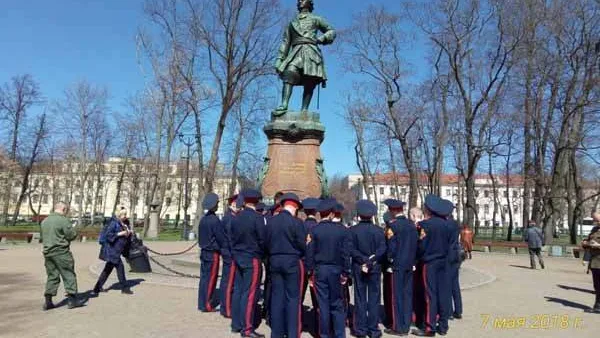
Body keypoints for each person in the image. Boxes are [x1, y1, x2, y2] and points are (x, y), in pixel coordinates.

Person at [275, 0, 336, 113]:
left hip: (311, 51)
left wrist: (321, 39)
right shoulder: (292, 23)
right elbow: (285, 42)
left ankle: (304, 110)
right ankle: (284, 105)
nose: (299, 2)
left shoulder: (316, 19)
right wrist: (279, 59)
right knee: (289, 72)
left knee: (310, 81)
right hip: (296, 52)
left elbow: (331, 31)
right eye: (298, 1)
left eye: (302, 0)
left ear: (309, 3)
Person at [306, 198, 351, 338]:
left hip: (320, 270)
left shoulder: (314, 230)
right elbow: (345, 253)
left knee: (323, 305)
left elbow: (310, 253)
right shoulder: (341, 231)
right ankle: (339, 334)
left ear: (320, 214)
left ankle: (324, 334)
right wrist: (346, 272)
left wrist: (310, 272)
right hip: (336, 270)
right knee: (337, 305)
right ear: (331, 214)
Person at [264, 193, 307, 338]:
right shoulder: (297, 223)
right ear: (294, 207)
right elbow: (302, 245)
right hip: (291, 262)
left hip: (274, 260)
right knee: (293, 299)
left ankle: (276, 333)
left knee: (277, 298)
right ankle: (292, 333)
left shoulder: (271, 222)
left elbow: (266, 243)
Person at [412, 195, 450, 337]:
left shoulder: (425, 225)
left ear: (428, 209)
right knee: (442, 293)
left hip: (429, 262)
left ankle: (429, 327)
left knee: (430, 294)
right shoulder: (447, 224)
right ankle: (444, 325)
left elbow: (421, 246)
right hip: (443, 261)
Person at [231, 189, 266, 338]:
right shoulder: (257, 218)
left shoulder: (237, 217)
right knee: (251, 293)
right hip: (252, 257)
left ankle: (236, 323)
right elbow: (263, 239)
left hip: (238, 256)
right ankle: (247, 328)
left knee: (238, 290)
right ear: (257, 201)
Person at [349, 200, 386, 338]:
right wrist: (371, 260)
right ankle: (373, 328)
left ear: (359, 214)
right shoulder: (378, 230)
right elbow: (383, 248)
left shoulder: (353, 230)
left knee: (360, 297)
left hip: (359, 266)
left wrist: (363, 260)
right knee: (374, 298)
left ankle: (360, 329)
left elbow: (351, 249)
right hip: (375, 266)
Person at [383, 199, 417, 336]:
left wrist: (390, 261)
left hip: (397, 265)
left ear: (392, 211)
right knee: (407, 295)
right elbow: (416, 246)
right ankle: (406, 323)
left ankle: (398, 327)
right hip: (410, 264)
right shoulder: (411, 225)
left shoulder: (393, 226)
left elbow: (391, 247)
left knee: (396, 296)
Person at [41, 202, 84, 310]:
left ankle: (48, 301)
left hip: (48, 253)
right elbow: (71, 235)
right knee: (68, 274)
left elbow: (42, 237)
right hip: (61, 252)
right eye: (67, 211)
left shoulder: (44, 221)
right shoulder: (63, 220)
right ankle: (72, 300)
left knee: (52, 276)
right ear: (64, 209)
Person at [93, 208, 134, 296]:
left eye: (126, 214)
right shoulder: (113, 223)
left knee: (107, 269)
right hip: (112, 249)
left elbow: (126, 233)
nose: (125, 216)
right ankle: (125, 288)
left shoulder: (125, 223)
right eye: (124, 214)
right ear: (119, 215)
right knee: (120, 268)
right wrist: (120, 234)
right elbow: (109, 235)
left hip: (118, 249)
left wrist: (129, 232)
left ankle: (97, 288)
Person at [197, 193, 222, 312]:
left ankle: (201, 302)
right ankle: (207, 304)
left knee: (204, 278)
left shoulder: (203, 219)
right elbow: (220, 237)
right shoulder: (215, 220)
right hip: (213, 253)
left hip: (204, 251)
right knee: (211, 279)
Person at [441, 201, 462, 321]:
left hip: (447, 256)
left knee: (447, 285)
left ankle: (448, 311)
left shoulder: (445, 224)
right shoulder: (455, 224)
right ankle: (458, 310)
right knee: (455, 285)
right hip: (455, 256)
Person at [219, 194, 238, 318]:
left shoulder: (231, 217)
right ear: (233, 204)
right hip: (230, 254)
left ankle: (225, 306)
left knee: (227, 280)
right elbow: (231, 237)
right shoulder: (230, 218)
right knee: (229, 281)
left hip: (227, 252)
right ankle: (227, 308)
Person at [301, 198, 321, 313]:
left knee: (299, 296)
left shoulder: (300, 226)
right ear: (316, 211)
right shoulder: (318, 227)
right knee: (317, 299)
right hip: (315, 264)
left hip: (302, 263)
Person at [581, 211, 600, 313]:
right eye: (594, 220)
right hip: (595, 262)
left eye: (597, 220)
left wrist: (597, 245)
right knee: (597, 285)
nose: (595, 221)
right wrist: (585, 242)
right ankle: (597, 306)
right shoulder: (594, 229)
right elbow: (588, 240)